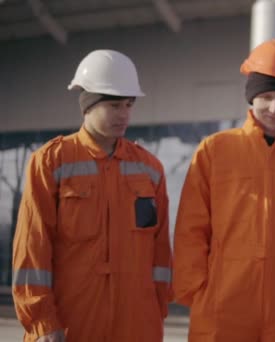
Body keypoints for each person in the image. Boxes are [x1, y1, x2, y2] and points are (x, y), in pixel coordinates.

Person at [172, 39, 275, 342]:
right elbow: (191, 229)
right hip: (224, 307)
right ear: (251, 97)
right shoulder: (215, 150)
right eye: (266, 96)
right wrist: (198, 292)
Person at [12, 49, 172, 342]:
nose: (123, 114)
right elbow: (32, 250)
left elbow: (160, 251)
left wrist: (154, 313)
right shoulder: (51, 162)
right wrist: (43, 321)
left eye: (128, 104)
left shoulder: (150, 169)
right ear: (87, 105)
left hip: (137, 325)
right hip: (72, 323)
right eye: (113, 105)